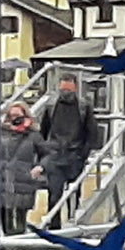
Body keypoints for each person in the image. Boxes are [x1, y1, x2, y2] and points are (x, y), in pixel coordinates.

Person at [38, 70, 96, 221]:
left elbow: (92, 132)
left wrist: (83, 153)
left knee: (74, 193)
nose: (65, 93)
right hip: (55, 154)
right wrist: (45, 152)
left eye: (68, 90)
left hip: (75, 154)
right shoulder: (51, 106)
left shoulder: (84, 107)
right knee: (54, 194)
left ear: (75, 88)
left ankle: (73, 220)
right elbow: (43, 130)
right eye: (63, 90)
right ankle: (54, 226)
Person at [0, 99, 46, 235]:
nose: (14, 119)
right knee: (5, 219)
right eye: (11, 116)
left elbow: (47, 154)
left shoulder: (33, 135)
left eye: (18, 116)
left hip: (24, 181)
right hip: (3, 181)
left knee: (20, 220)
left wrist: (40, 167)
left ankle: (17, 246)